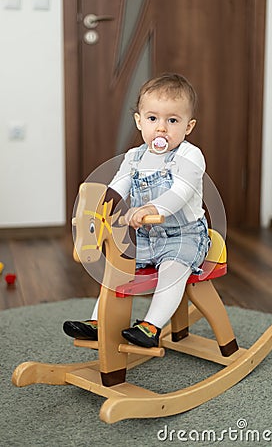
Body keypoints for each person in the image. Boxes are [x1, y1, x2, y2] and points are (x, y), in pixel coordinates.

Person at [63, 73, 210, 348]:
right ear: (139, 121)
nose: (161, 129)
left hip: (184, 235)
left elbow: (181, 191)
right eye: (153, 119)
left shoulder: (190, 156)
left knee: (172, 270)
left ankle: (151, 326)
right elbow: (117, 187)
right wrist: (100, 205)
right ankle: (98, 321)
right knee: (116, 269)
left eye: (173, 120)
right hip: (146, 236)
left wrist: (153, 207)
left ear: (188, 127)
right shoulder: (134, 157)